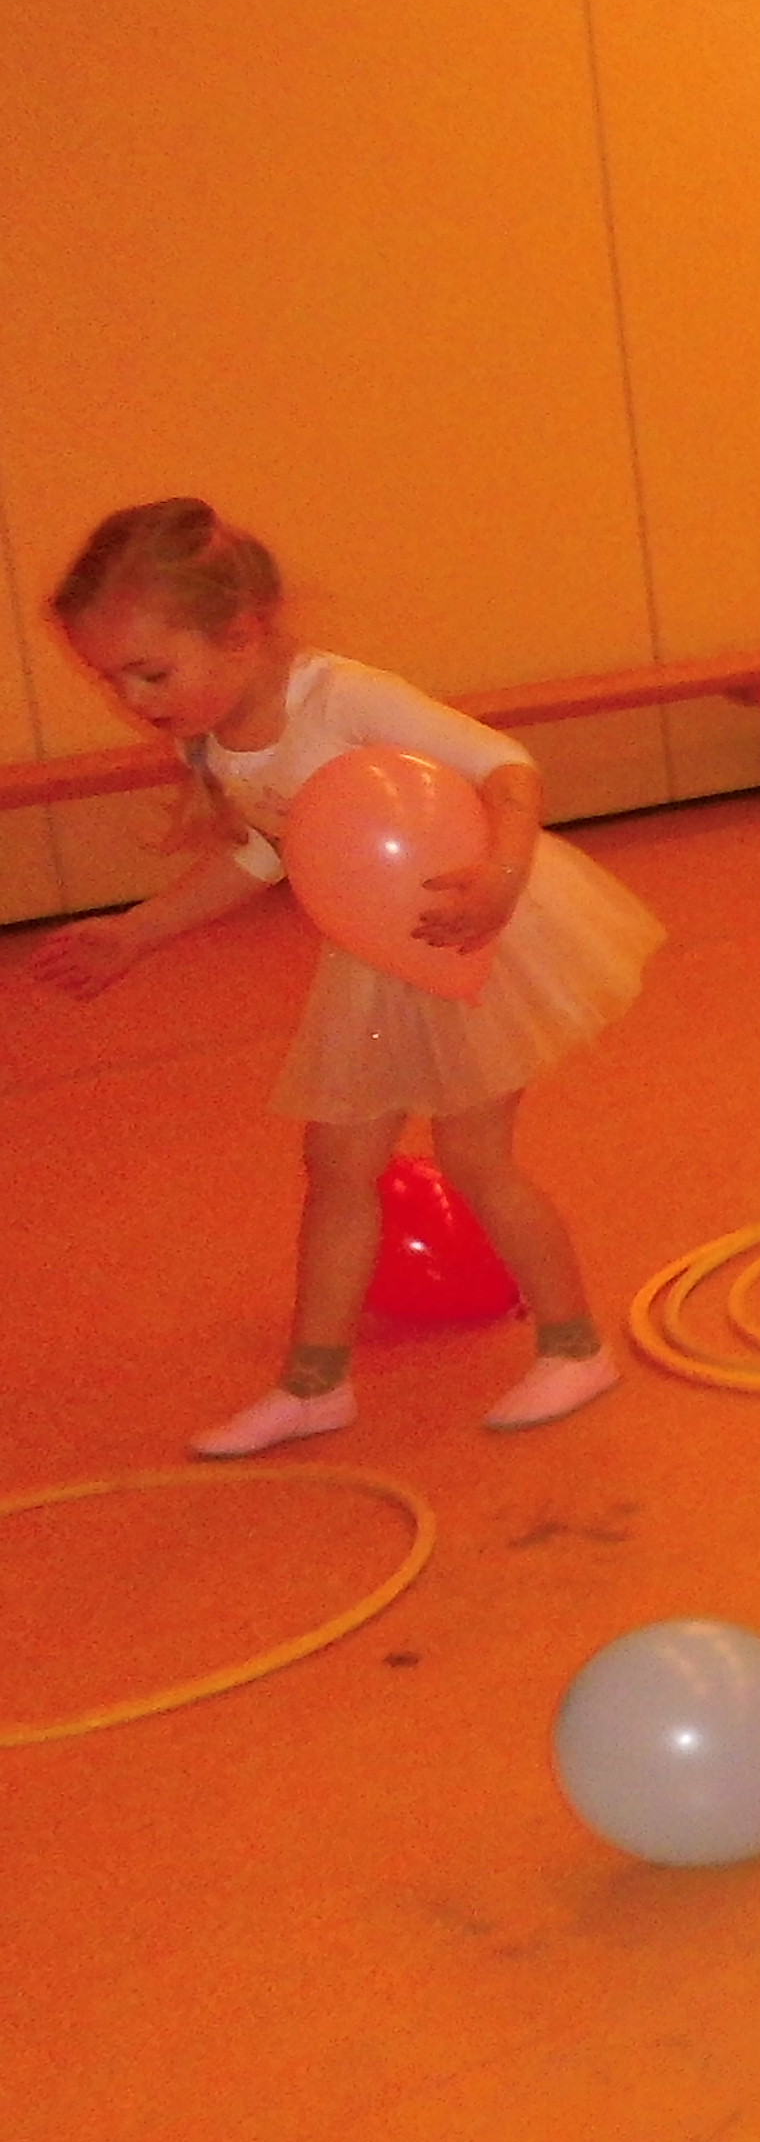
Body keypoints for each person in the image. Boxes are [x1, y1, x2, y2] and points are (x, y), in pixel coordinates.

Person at [30, 498, 656, 1452]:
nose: (137, 702)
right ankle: (315, 1383)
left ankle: (575, 1346)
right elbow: (261, 853)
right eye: (114, 681)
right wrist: (139, 933)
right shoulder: (217, 729)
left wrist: (500, 877)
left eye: (151, 672)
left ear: (241, 631)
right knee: (336, 1165)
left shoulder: (344, 698)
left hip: (475, 927)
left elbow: (506, 768)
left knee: (475, 1158)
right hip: (379, 952)